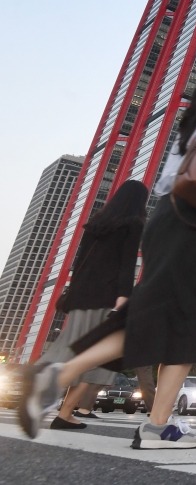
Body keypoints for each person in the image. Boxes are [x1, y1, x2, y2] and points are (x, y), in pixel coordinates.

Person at [19, 69, 196, 449]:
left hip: (166, 223)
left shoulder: (189, 128)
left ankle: (70, 380)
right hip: (195, 230)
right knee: (182, 325)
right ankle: (147, 420)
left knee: (158, 321)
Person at [37, 180, 148, 431]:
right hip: (106, 297)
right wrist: (123, 297)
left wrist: (74, 293)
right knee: (99, 359)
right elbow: (127, 264)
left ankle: (56, 402)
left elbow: (79, 263)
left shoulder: (95, 225)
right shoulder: (133, 224)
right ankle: (63, 410)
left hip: (80, 297)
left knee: (72, 349)